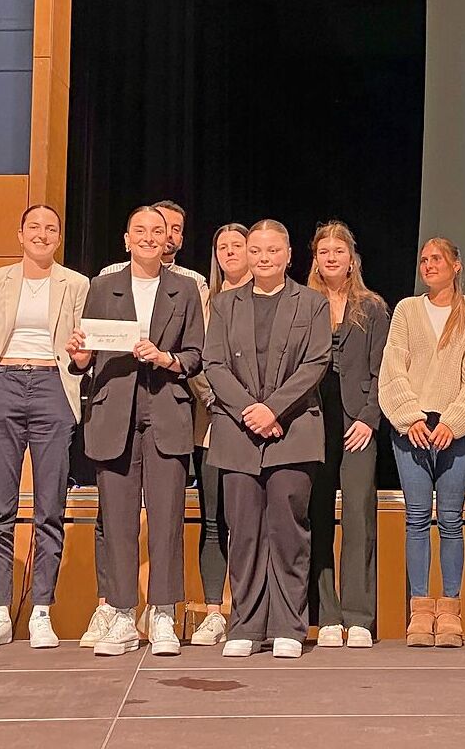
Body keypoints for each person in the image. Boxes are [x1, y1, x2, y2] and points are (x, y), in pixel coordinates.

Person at [66, 205, 203, 657]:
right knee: (118, 519)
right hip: (114, 410)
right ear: (126, 239)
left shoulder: (184, 289)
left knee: (166, 517)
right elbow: (87, 354)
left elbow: (197, 354)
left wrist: (167, 358)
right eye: (139, 230)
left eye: (157, 231)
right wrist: (80, 357)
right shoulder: (103, 286)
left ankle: (162, 613)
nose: (148, 237)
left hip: (166, 407)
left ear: (169, 240)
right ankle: (123, 614)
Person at [204, 219, 331, 659]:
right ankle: (245, 624)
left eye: (272, 250)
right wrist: (250, 412)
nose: (263, 257)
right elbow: (214, 364)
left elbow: (316, 363)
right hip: (238, 433)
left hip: (292, 431)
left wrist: (272, 409)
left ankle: (289, 627)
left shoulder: (311, 304)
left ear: (289, 254)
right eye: (255, 249)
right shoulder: (224, 304)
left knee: (288, 531)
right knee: (243, 532)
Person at [0, 205, 89, 650]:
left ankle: (41, 609)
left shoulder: (76, 283)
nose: (42, 234)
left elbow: (82, 349)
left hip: (52, 387)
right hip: (2, 383)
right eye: (34, 227)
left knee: (49, 506)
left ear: (59, 237)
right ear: (20, 233)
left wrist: (83, 357)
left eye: (51, 228)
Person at [379, 237, 465, 648]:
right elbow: (393, 368)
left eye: (437, 259)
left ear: (456, 265)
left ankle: (449, 611)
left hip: (455, 431)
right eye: (424, 260)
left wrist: (455, 421)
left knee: (450, 520)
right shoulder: (407, 311)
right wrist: (409, 416)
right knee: (415, 518)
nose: (429, 265)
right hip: (411, 427)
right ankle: (419, 611)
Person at [306, 221, 389, 649]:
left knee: (358, 514)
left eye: (339, 250)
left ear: (351, 257)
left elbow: (384, 372)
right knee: (316, 514)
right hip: (313, 421)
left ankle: (358, 615)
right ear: (316, 259)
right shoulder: (303, 303)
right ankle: (326, 615)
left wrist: (369, 418)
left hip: (357, 422)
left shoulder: (372, 307)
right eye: (324, 251)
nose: (332, 257)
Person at [188, 222, 252, 646]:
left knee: (251, 523)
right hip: (211, 423)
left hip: (260, 426)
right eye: (222, 246)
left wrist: (252, 409)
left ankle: (250, 610)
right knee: (213, 521)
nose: (230, 252)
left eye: (238, 245)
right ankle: (214, 611)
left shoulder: (276, 299)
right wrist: (221, 403)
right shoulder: (203, 302)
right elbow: (194, 361)